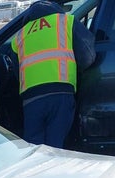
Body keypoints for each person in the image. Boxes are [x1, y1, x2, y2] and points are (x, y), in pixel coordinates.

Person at [11, 0, 96, 148]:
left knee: (34, 148)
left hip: (31, 99)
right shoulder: (66, 21)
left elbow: (16, 71)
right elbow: (88, 57)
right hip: (60, 93)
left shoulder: (19, 36)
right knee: (56, 146)